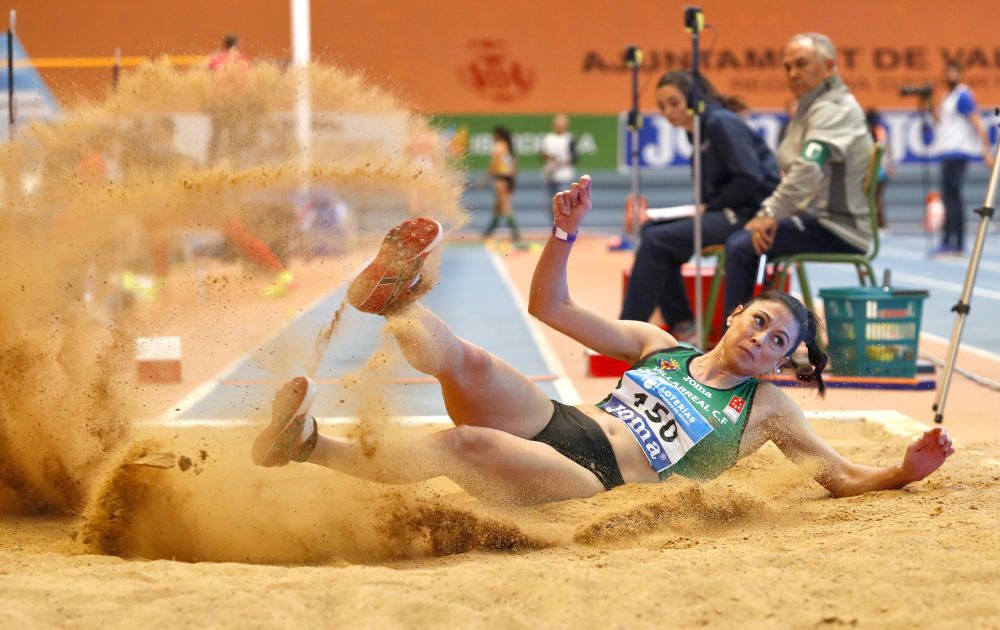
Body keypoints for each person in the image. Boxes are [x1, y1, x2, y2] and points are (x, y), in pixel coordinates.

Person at [252, 175, 953, 506]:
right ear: (736, 313)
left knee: (463, 445)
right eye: (760, 321)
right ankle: (397, 301)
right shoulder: (659, 345)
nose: (763, 339)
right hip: (564, 423)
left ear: (781, 361)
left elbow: (841, 477)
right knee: (468, 361)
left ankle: (309, 446)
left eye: (778, 342)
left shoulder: (765, 409)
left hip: (602, 480)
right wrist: (563, 233)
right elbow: (550, 305)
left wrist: (904, 470)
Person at [620, 71, 780, 342]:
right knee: (650, 231)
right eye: (662, 107)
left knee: (658, 241)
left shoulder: (721, 123)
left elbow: (750, 177)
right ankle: (682, 322)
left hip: (752, 215)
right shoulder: (697, 134)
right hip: (726, 209)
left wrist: (713, 206)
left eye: (674, 103)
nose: (668, 112)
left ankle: (625, 332)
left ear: (695, 99)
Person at [724, 33, 874, 316]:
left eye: (802, 64)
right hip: (814, 216)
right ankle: (760, 338)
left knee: (742, 248)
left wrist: (771, 213)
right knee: (744, 235)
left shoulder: (833, 110)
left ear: (829, 66)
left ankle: (733, 350)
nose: (793, 73)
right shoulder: (811, 107)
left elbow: (808, 169)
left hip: (838, 227)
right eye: (788, 66)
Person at [930, 61, 994, 255]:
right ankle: (948, 240)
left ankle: (955, 242)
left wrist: (986, 150)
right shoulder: (946, 96)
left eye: (954, 72)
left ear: (960, 74)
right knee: (948, 198)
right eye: (947, 72)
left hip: (958, 152)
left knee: (953, 199)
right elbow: (942, 122)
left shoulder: (963, 95)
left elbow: (976, 121)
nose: (950, 76)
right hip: (947, 151)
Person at [482, 126, 520, 242]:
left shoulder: (498, 147)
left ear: (498, 135)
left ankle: (515, 232)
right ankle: (489, 231)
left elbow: (494, 164)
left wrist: (485, 179)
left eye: (494, 135)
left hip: (501, 178)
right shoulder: (509, 147)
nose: (492, 137)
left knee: (505, 206)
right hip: (509, 178)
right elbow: (515, 166)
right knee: (498, 207)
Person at [865, 108, 895, 230]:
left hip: (877, 170)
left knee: (874, 198)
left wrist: (889, 165)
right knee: (874, 198)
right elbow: (888, 150)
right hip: (877, 169)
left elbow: (886, 150)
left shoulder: (876, 132)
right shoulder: (880, 131)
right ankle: (878, 223)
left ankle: (880, 224)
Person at [541, 114, 576, 215]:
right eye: (557, 124)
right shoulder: (548, 138)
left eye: (561, 124)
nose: (559, 126)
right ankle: (553, 225)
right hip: (549, 175)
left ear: (566, 125)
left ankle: (563, 227)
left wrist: (563, 161)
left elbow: (575, 157)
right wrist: (549, 158)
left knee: (563, 202)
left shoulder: (570, 138)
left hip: (563, 176)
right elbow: (542, 154)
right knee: (550, 203)